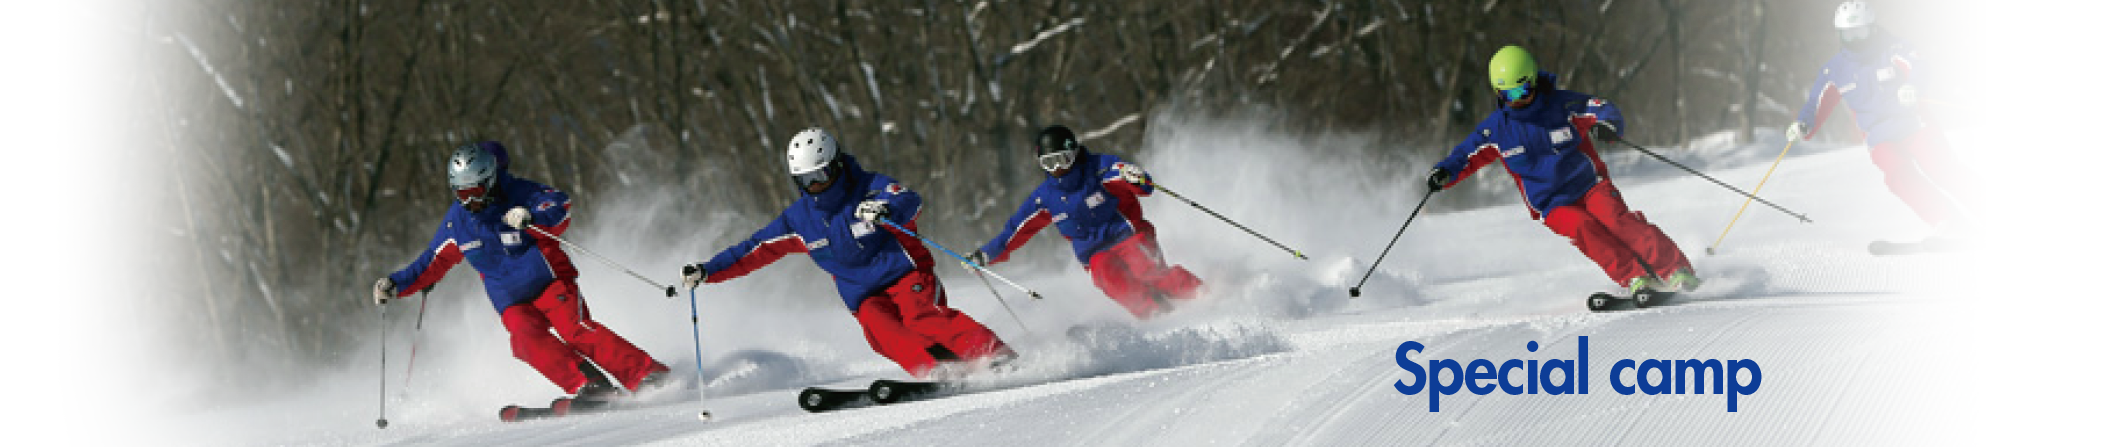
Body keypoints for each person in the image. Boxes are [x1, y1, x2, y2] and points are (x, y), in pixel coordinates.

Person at [680, 128, 1013, 379]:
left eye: (821, 176)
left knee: (920, 316)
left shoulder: (870, 187)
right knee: (882, 331)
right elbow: (752, 250)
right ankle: (934, 369)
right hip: (864, 296)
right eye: (806, 180)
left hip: (908, 276)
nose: (816, 186)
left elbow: (910, 200)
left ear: (836, 165)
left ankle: (992, 352)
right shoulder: (800, 220)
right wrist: (708, 270)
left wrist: (886, 209)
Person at [373, 141, 669, 401]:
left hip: (551, 284)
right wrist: (395, 284)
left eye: (476, 192)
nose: (470, 202)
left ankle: (646, 374)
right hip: (511, 301)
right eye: (461, 194)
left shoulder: (519, 192)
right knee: (525, 342)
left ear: (489, 181)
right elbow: (431, 262)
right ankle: (589, 384)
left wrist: (532, 216)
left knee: (575, 329)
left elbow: (560, 206)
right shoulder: (458, 221)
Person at [1427, 46, 1699, 296]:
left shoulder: (1563, 106)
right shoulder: (1497, 130)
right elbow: (1465, 156)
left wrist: (1608, 124)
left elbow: (1601, 108)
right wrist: (1445, 173)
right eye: (1507, 95)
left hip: (1590, 184)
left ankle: (1675, 269)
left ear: (1533, 81)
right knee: (1585, 229)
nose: (1517, 100)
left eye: (1522, 91)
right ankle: (1635, 277)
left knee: (1616, 220)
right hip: (1551, 202)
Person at [966, 125, 1203, 319]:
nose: (1058, 168)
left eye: (1063, 160)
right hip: (1095, 254)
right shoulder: (1046, 197)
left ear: (1075, 154)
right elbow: (1014, 231)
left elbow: (1134, 181)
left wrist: (1135, 177)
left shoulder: (1098, 169)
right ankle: (1156, 314)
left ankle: (1203, 294)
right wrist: (985, 255)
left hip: (1130, 236)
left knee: (1147, 271)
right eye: (1050, 163)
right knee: (1105, 273)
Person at [1787, 1, 1974, 241]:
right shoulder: (1834, 70)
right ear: (1840, 35)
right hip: (1880, 138)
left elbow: (1919, 64)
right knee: (1897, 175)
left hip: (1915, 124)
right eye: (1849, 35)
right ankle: (1946, 221)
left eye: (1861, 32)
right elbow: (1815, 103)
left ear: (1873, 28)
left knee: (1939, 167)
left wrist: (1912, 86)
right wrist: (1804, 124)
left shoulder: (1894, 49)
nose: (1856, 41)